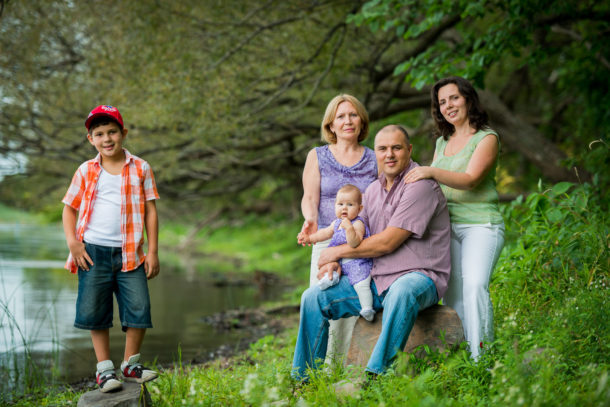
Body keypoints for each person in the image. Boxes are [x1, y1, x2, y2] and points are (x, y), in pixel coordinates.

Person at [292, 125, 451, 380]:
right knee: (313, 297)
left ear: (409, 150)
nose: (389, 154)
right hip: (377, 279)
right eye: (382, 149)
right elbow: (354, 237)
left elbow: (387, 243)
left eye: (396, 148)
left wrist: (335, 254)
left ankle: (375, 377)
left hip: (419, 276)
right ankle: (303, 380)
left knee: (402, 290)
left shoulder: (420, 186)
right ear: (375, 154)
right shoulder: (373, 191)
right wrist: (335, 261)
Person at [404, 76, 505, 360]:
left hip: (481, 225)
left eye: (454, 98)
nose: (448, 105)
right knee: (453, 296)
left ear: (468, 99)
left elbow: (470, 179)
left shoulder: (486, 138)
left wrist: (430, 171)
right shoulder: (442, 142)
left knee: (474, 286)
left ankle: (482, 360)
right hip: (447, 227)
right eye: (442, 102)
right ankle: (463, 358)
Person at [62, 105, 160, 393]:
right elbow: (69, 209)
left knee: (139, 308)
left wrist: (153, 251)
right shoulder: (86, 170)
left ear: (123, 133)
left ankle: (130, 365)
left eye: (112, 132)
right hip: (92, 252)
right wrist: (73, 243)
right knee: (95, 310)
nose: (107, 139)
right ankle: (105, 370)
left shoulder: (141, 168)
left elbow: (151, 211)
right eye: (99, 134)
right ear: (90, 139)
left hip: (131, 254)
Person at [299, 94, 378, 361]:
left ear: (361, 121)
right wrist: (310, 219)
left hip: (360, 241)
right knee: (320, 300)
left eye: (353, 115)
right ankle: (315, 370)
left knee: (352, 306)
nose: (348, 121)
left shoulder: (374, 158)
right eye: (341, 116)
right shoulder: (317, 156)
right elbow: (310, 197)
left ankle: (346, 371)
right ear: (330, 125)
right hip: (327, 238)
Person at [297, 184, 375, 322]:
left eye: (350, 204)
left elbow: (354, 243)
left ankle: (367, 308)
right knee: (331, 271)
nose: (344, 208)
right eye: (340, 204)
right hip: (341, 262)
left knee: (361, 284)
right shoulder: (336, 223)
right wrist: (310, 238)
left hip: (358, 263)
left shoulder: (358, 224)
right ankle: (328, 281)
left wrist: (349, 229)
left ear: (359, 208)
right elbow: (324, 233)